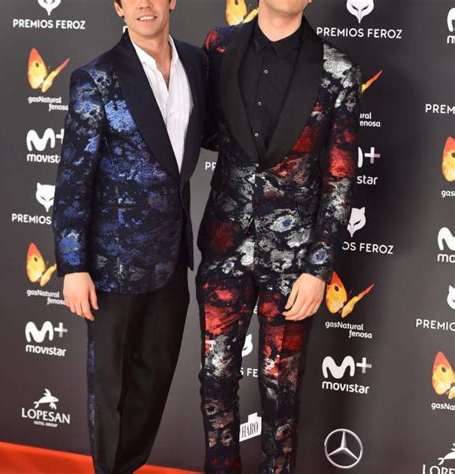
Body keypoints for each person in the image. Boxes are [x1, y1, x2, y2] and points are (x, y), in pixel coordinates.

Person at [196, 0, 362, 471]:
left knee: (280, 390)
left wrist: (317, 270)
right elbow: (202, 130)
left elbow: (339, 179)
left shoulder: (337, 70)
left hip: (294, 263)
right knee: (214, 380)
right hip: (224, 248)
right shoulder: (219, 47)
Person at [52, 0, 206, 472]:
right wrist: (73, 266)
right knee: (112, 387)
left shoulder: (197, 64)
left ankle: (130, 466)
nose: (145, 4)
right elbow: (73, 182)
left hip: (170, 260)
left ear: (171, 1)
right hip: (109, 266)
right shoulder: (95, 79)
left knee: (153, 380)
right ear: (118, 7)